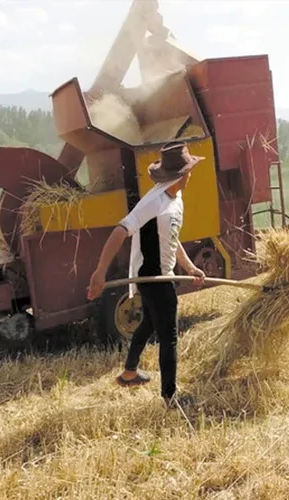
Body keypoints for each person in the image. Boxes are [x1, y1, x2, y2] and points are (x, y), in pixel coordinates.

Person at [86, 141, 206, 409]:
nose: (191, 175)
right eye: (189, 171)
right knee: (169, 337)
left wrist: (189, 268)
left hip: (164, 276)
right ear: (181, 174)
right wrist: (100, 271)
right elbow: (120, 230)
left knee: (149, 324)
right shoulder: (153, 201)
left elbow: (172, 240)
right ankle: (170, 397)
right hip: (153, 278)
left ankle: (130, 373)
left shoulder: (176, 198)